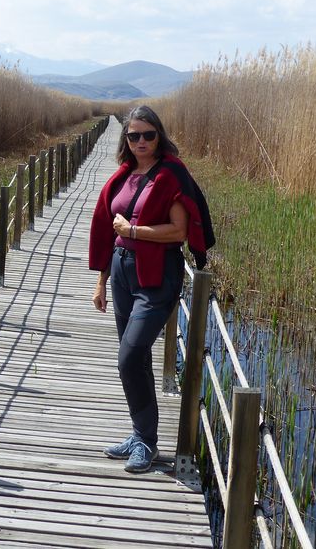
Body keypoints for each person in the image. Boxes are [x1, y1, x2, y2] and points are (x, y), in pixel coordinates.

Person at [88, 105, 213, 473]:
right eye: (133, 135)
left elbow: (178, 231)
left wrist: (135, 232)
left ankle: (147, 441)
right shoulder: (124, 175)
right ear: (125, 139)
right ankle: (139, 433)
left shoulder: (172, 174)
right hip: (123, 270)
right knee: (136, 358)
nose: (141, 141)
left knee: (129, 357)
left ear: (159, 135)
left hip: (157, 275)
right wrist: (101, 280)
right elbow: (109, 228)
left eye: (148, 134)